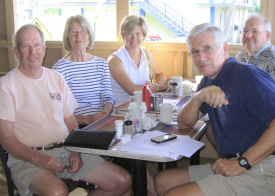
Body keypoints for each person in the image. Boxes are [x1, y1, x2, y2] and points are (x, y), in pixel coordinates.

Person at [0, 23, 132, 196]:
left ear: (44, 49)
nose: (33, 52)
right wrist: (37, 158)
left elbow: (70, 121)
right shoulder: (6, 86)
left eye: (37, 45)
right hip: (28, 158)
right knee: (57, 192)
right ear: (16, 51)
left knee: (122, 181)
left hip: (66, 149)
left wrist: (75, 151)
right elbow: (6, 138)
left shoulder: (56, 78)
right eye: (26, 46)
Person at [154, 23, 275, 196]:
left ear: (225, 49)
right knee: (163, 181)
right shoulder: (208, 80)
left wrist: (242, 162)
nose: (201, 57)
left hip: (262, 164)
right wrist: (197, 97)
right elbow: (183, 122)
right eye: (195, 52)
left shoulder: (247, 76)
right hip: (232, 161)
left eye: (207, 48)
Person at [53, 15, 115, 128]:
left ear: (89, 35)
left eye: (83, 31)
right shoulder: (59, 69)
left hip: (101, 122)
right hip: (75, 127)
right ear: (67, 36)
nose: (78, 36)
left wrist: (103, 115)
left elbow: (108, 97)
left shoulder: (101, 64)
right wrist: (88, 120)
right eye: (73, 32)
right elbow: (57, 110)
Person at [107, 15, 170, 107]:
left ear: (144, 35)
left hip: (144, 107)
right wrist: (161, 86)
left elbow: (159, 74)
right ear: (123, 35)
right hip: (122, 111)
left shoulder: (145, 53)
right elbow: (133, 90)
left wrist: (161, 82)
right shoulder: (114, 60)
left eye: (138, 34)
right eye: (129, 33)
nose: (134, 38)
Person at [236, 13, 275, 79]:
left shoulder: (272, 59)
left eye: (254, 31)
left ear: (267, 35)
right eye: (245, 31)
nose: (248, 35)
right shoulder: (241, 54)